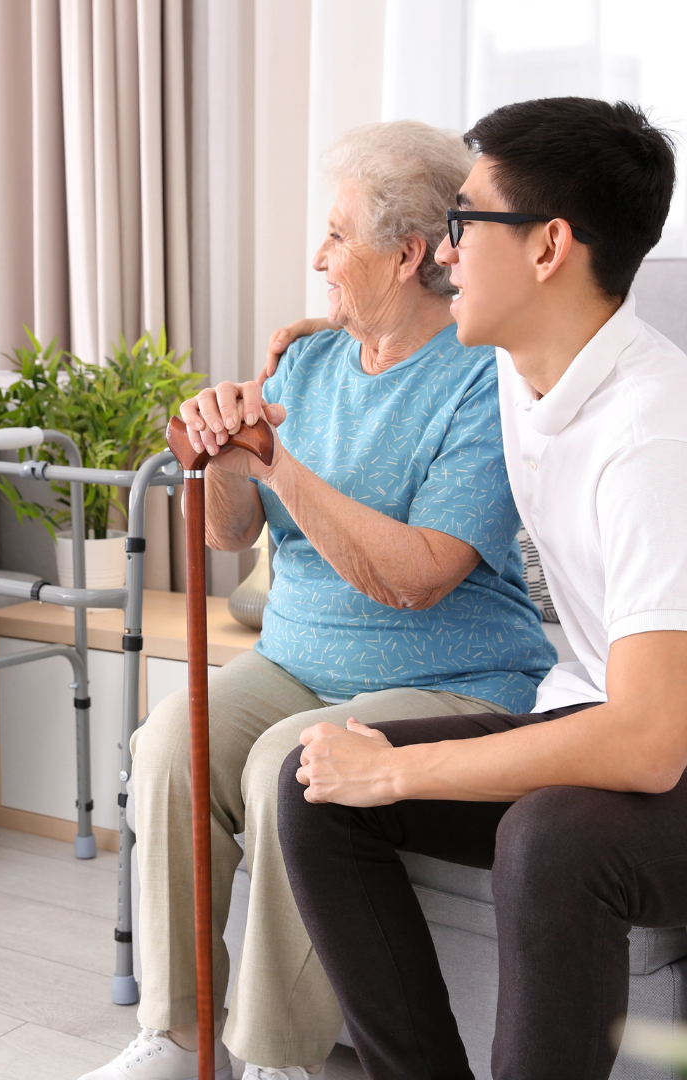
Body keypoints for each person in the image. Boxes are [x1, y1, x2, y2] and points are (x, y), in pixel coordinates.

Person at [81, 122, 555, 1080]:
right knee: (168, 742)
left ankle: (275, 1058)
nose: (317, 258)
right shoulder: (307, 362)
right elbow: (228, 534)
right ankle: (178, 1040)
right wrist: (220, 446)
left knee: (286, 769)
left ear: (408, 252)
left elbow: (419, 577)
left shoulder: (480, 381)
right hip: (297, 661)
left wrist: (278, 463)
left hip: (454, 680)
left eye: (336, 236)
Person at [277, 97, 684, 1080]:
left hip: (667, 744)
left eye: (463, 221)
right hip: (625, 722)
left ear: (547, 248)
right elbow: (396, 333)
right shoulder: (519, 364)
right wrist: (318, 337)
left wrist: (402, 771)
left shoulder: (649, 432)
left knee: (550, 837)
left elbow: (649, 741)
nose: (442, 250)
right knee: (321, 785)